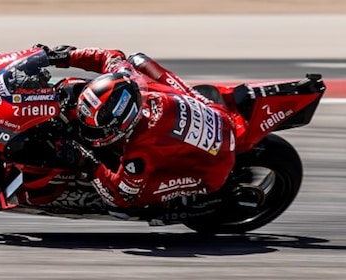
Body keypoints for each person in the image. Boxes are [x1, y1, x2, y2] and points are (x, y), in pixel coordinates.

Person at [12, 44, 245, 218]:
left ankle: (184, 204)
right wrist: (62, 56)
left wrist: (87, 162)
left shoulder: (140, 149)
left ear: (125, 126)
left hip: (214, 164)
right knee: (137, 59)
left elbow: (122, 194)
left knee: (125, 206)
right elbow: (108, 56)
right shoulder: (127, 77)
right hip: (211, 113)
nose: (87, 131)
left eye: (94, 130)